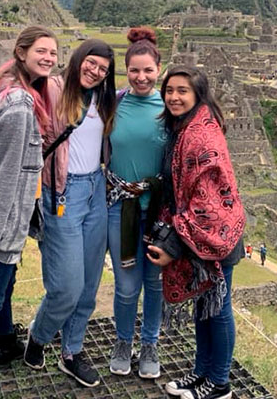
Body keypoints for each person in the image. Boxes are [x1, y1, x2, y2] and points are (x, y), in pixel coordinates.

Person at [0, 26, 59, 399]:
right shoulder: (19, 108)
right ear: (21, 52)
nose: (49, 57)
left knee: (4, 288)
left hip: (11, 219)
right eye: (41, 51)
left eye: (53, 52)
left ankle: (7, 344)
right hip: (5, 221)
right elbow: (4, 178)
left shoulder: (7, 89)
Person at [148, 66, 246, 399]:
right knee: (204, 308)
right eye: (170, 90)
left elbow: (207, 204)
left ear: (197, 95)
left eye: (182, 91)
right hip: (195, 237)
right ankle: (201, 373)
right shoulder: (185, 128)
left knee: (218, 309)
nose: (174, 97)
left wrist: (172, 245)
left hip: (214, 238)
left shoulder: (202, 136)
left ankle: (219, 383)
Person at [24, 39, 117, 388]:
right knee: (66, 286)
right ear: (78, 59)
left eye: (103, 69)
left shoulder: (104, 99)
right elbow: (19, 87)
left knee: (89, 285)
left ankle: (72, 351)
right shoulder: (52, 88)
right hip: (61, 192)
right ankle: (40, 335)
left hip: (96, 190)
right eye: (91, 63)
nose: (95, 72)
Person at [106, 27, 166, 379]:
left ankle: (150, 343)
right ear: (125, 71)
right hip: (120, 208)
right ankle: (123, 341)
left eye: (147, 70)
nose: (141, 77)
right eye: (134, 70)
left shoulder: (170, 107)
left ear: (158, 69)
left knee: (155, 284)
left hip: (158, 212)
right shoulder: (113, 103)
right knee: (127, 286)